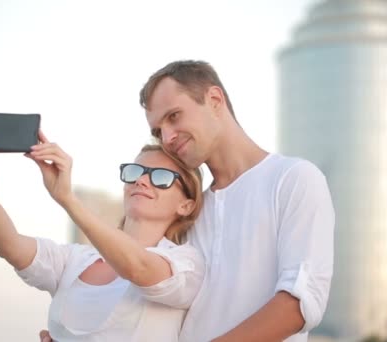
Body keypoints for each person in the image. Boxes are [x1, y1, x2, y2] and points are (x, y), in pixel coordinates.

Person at [137, 60, 335, 342]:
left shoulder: (293, 179)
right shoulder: (187, 211)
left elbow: (301, 302)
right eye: (158, 131)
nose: (167, 137)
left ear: (215, 99)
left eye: (174, 116)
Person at [0, 123, 205, 342]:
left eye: (161, 177)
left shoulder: (185, 264)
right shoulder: (76, 260)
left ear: (186, 205)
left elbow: (137, 267)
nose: (141, 181)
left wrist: (67, 199)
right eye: (135, 171)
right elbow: (10, 246)